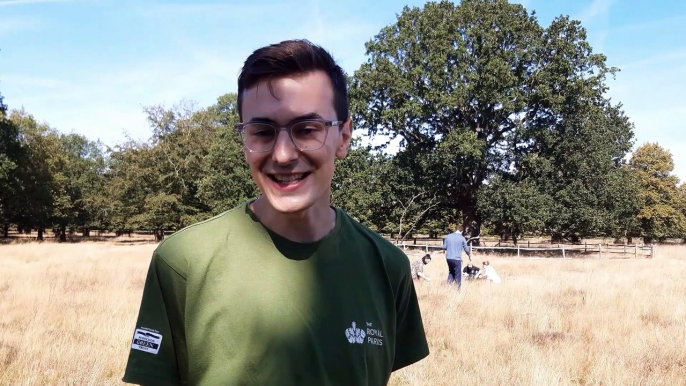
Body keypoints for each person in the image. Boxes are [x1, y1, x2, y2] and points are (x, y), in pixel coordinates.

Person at [122, 39, 429, 386]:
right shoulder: (182, 263)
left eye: (307, 129)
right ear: (243, 139)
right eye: (262, 132)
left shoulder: (387, 267)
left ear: (343, 136)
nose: (282, 154)